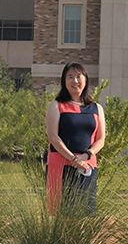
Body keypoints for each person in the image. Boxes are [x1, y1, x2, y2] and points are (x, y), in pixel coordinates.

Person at [45, 62, 106, 215]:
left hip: (87, 166)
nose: (75, 81)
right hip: (61, 165)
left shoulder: (96, 108)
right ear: (64, 81)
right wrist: (73, 159)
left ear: (85, 79)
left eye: (78, 76)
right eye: (70, 77)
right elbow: (53, 136)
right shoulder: (56, 105)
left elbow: (101, 139)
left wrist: (85, 157)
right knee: (62, 213)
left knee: (85, 212)